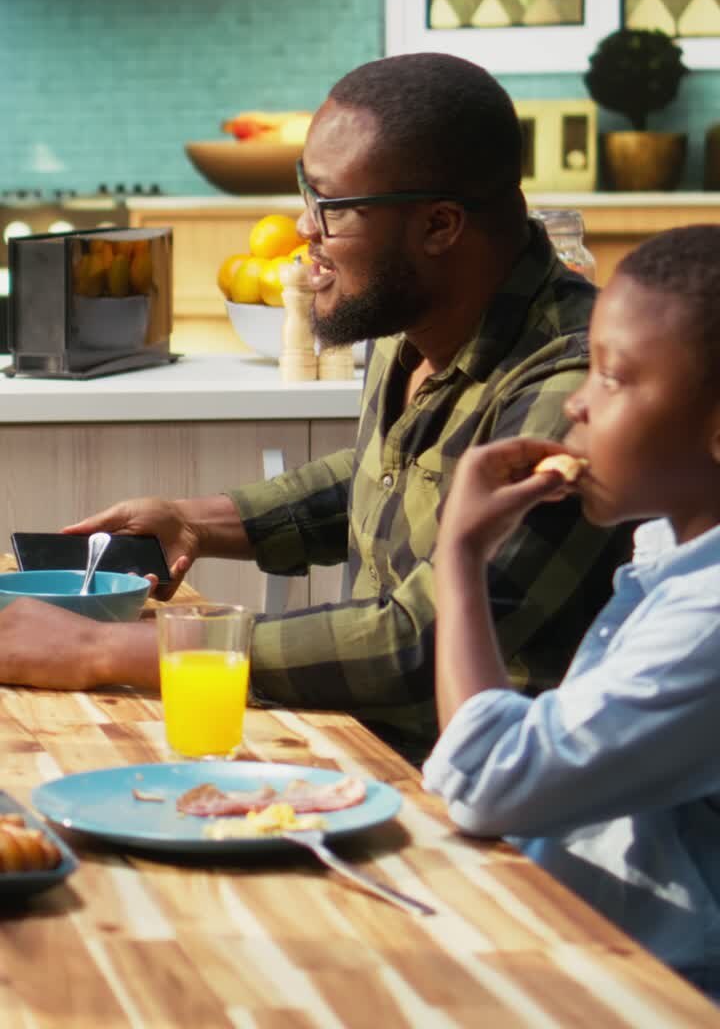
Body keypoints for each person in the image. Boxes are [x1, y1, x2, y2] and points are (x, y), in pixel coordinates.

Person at [0, 52, 632, 763]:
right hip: (361, 746)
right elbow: (387, 473)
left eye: (330, 207)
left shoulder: (576, 389)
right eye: (308, 192)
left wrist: (103, 647)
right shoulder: (415, 316)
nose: (304, 227)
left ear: (440, 225)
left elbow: (422, 639)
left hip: (481, 796)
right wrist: (197, 521)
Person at [423, 224, 720, 997]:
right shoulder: (668, 557)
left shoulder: (711, 618)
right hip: (570, 945)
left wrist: (460, 557)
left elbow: (489, 781)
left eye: (612, 377)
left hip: (657, 995)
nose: (578, 404)